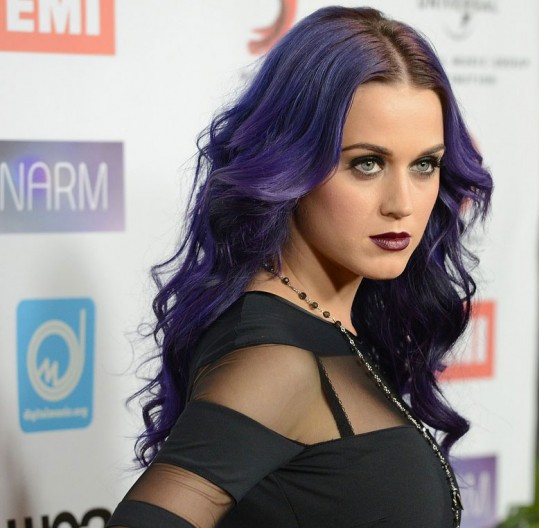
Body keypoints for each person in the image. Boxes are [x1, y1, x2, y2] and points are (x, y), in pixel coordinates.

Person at [107, 6, 492, 528]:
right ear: (292, 162)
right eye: (367, 163)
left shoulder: (339, 326)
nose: (402, 203)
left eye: (424, 164)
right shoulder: (276, 361)